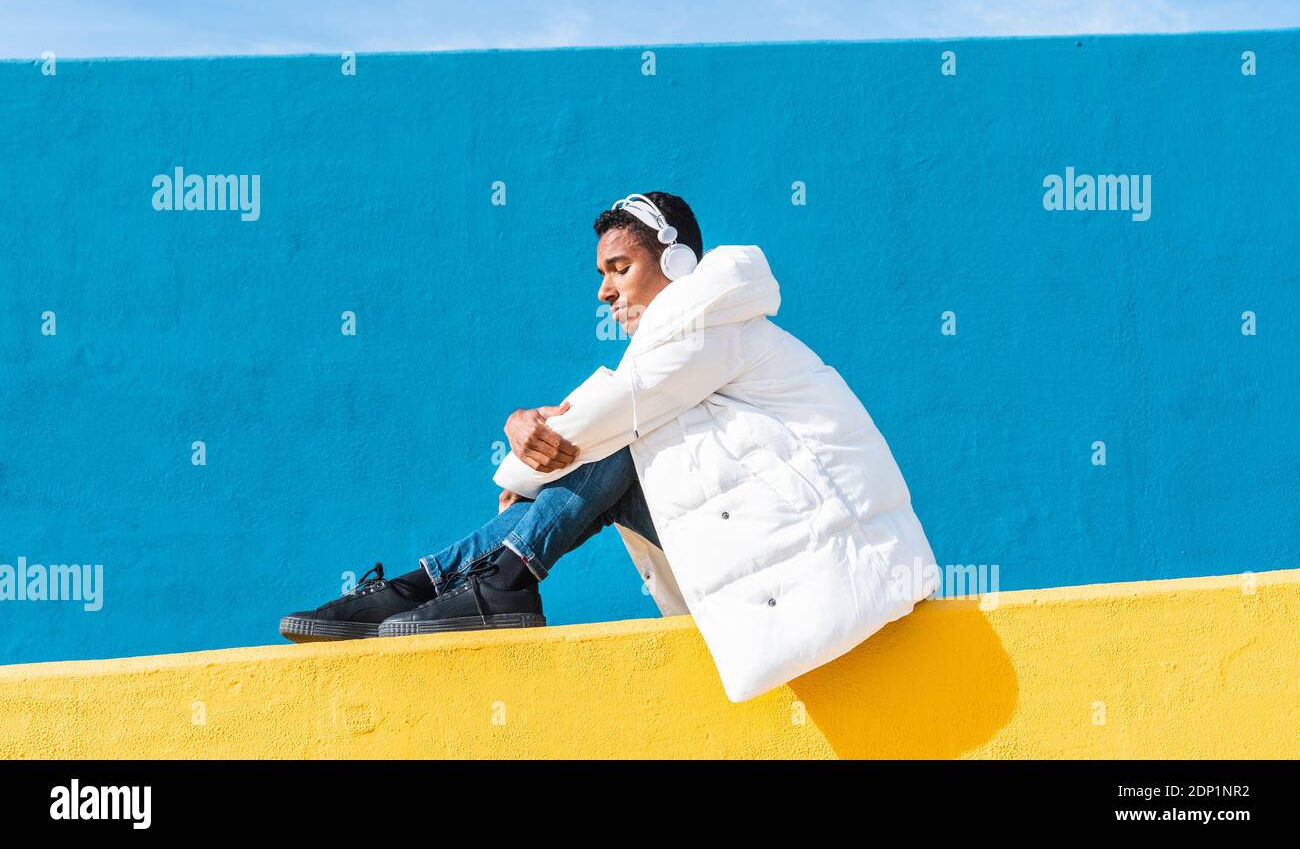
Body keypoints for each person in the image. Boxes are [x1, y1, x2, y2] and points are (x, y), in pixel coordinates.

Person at [280, 190, 940, 704]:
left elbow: (613, 412)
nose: (604, 290)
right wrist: (527, 433)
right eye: (602, 273)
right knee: (612, 446)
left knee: (615, 446)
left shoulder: (716, 322)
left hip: (822, 555)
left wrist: (527, 460)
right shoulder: (680, 347)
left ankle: (454, 583)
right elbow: (613, 407)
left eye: (619, 268)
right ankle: (467, 582)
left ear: (678, 261)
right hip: (764, 553)